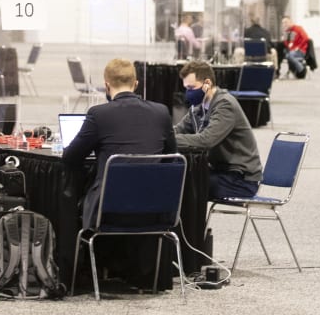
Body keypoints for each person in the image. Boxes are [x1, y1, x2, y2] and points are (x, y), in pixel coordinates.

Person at [62, 58, 176, 229]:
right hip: (154, 206)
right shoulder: (161, 112)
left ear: (106, 86)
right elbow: (170, 156)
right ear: (136, 84)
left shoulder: (99, 114)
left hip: (108, 208)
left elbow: (70, 157)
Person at [174, 60, 262, 200]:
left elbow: (206, 141)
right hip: (220, 172)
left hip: (241, 180)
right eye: (186, 88)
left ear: (207, 83)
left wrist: (169, 139)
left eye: (191, 87)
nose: (188, 93)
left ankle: (188, 222)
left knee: (185, 183)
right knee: (177, 176)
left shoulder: (225, 104)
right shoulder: (199, 106)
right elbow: (178, 129)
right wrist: (160, 134)